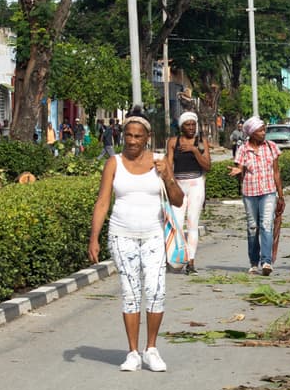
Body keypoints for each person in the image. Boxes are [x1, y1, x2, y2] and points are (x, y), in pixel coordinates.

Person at [88, 106, 184, 372]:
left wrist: (167, 176)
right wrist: (94, 238)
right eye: (128, 135)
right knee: (130, 293)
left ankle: (151, 349)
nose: (131, 141)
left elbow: (178, 200)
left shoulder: (159, 161)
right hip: (122, 236)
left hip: (154, 235)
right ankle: (132, 352)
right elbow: (102, 202)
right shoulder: (114, 163)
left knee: (155, 290)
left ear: (147, 138)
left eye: (137, 136)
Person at [229, 116, 283, 276]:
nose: (263, 133)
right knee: (253, 227)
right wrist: (238, 170)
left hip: (268, 192)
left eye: (264, 130)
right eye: (260, 131)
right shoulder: (243, 149)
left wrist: (281, 195)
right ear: (251, 133)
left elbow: (276, 172)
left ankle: (266, 262)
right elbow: (239, 168)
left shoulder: (271, 147)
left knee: (266, 224)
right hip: (250, 193)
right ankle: (253, 262)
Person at [165, 111, 211, 275]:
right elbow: (168, 165)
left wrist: (194, 150)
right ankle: (178, 256)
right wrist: (169, 184)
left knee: (192, 223)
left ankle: (191, 261)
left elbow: (207, 166)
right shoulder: (173, 142)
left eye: (193, 124)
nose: (191, 127)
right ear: (181, 127)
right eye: (187, 125)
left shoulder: (201, 142)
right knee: (176, 223)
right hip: (178, 185)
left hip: (195, 184)